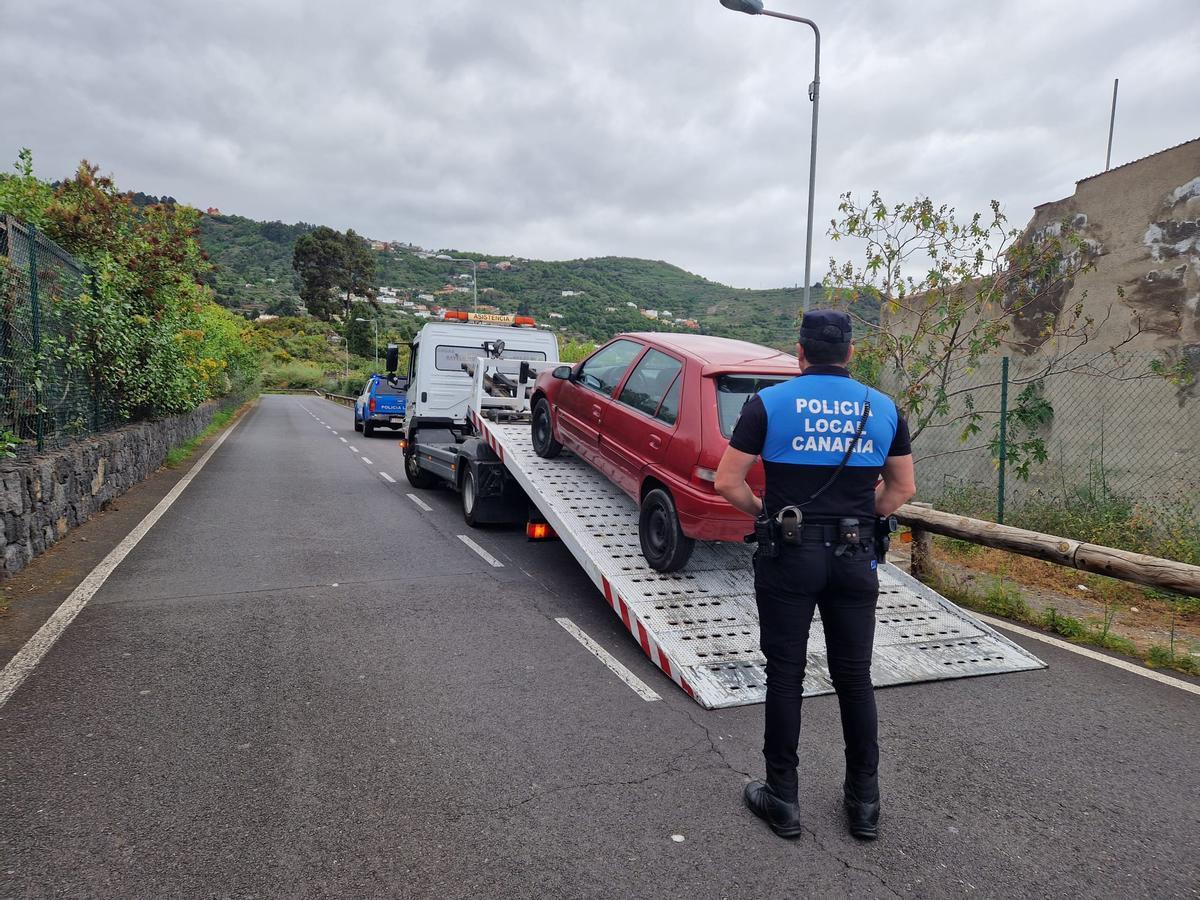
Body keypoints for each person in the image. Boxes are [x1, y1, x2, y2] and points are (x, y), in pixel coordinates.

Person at [714, 309, 916, 841]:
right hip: (856, 557)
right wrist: (859, 512)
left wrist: (764, 510)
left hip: (789, 553)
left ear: (798, 353)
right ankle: (864, 804)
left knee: (785, 674)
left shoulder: (768, 403)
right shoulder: (884, 407)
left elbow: (726, 482)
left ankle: (782, 798)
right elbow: (901, 491)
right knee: (855, 677)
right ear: (850, 354)